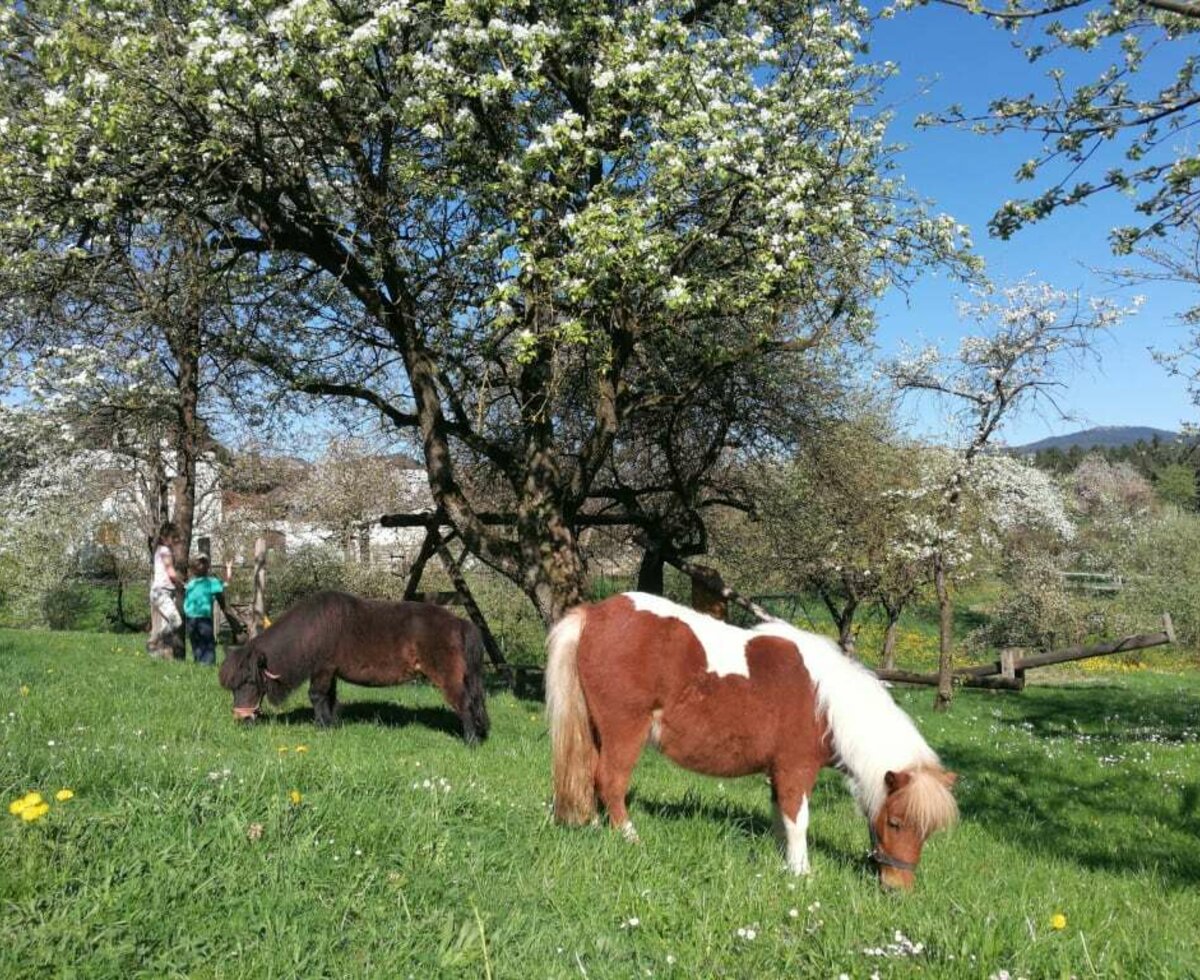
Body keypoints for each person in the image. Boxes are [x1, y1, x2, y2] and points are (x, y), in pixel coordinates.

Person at [184, 555, 238, 666]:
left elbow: (185, 591)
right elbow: (227, 583)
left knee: (196, 642)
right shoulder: (211, 582)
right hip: (203, 618)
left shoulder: (191, 583)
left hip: (190, 619)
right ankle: (208, 665)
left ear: (193, 571)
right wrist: (228, 568)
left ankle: (198, 663)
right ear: (208, 569)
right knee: (207, 642)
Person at [149, 522, 184, 660]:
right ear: (164, 538)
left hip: (162, 592)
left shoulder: (159, 550)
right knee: (176, 621)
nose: (175, 540)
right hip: (161, 592)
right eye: (173, 537)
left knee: (167, 625)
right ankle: (155, 640)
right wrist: (181, 583)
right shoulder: (165, 551)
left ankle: (159, 658)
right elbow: (171, 572)